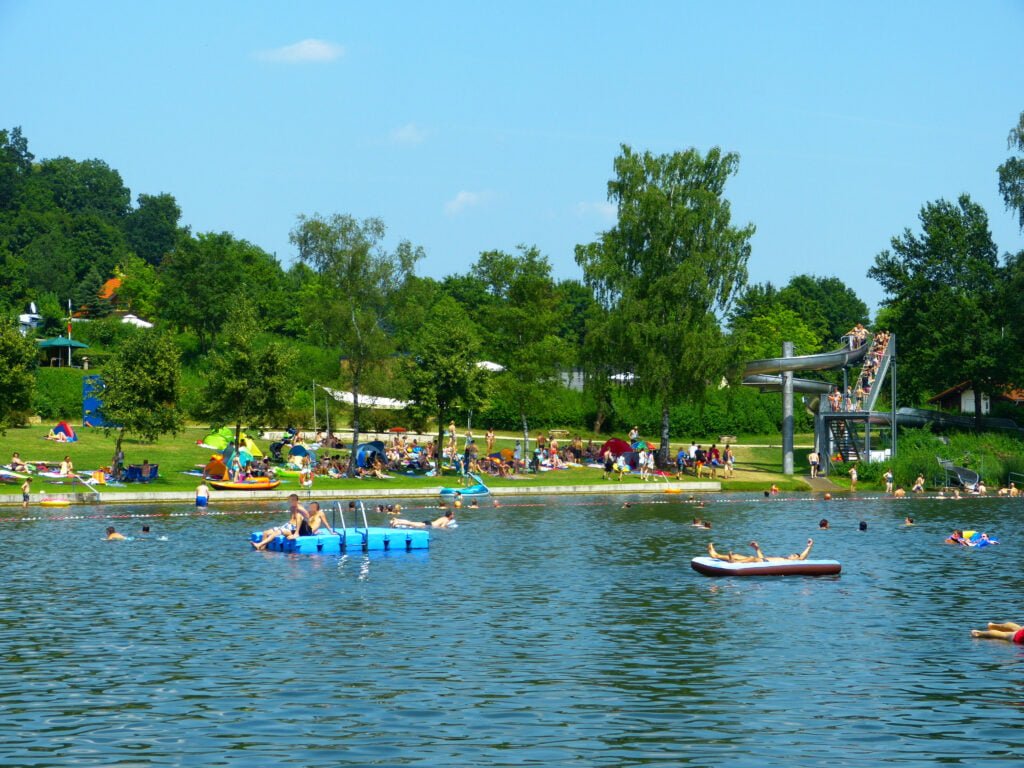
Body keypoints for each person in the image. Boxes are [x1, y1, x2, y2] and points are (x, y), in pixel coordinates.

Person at [706, 539, 814, 563]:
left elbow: (802, 557)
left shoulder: (793, 562)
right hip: (763, 560)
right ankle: (715, 555)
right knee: (737, 554)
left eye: (794, 555)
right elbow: (763, 557)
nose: (792, 555)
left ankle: (733, 562)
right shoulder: (784, 557)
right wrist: (757, 548)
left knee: (752, 558)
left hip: (763, 562)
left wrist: (809, 546)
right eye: (792, 554)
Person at [390, 510, 455, 529]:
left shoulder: (443, 517)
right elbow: (442, 526)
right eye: (453, 514)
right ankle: (397, 522)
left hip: (429, 522)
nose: (453, 515)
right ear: (450, 515)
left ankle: (398, 520)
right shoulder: (446, 520)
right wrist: (447, 528)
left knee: (412, 522)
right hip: (429, 524)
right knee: (412, 524)